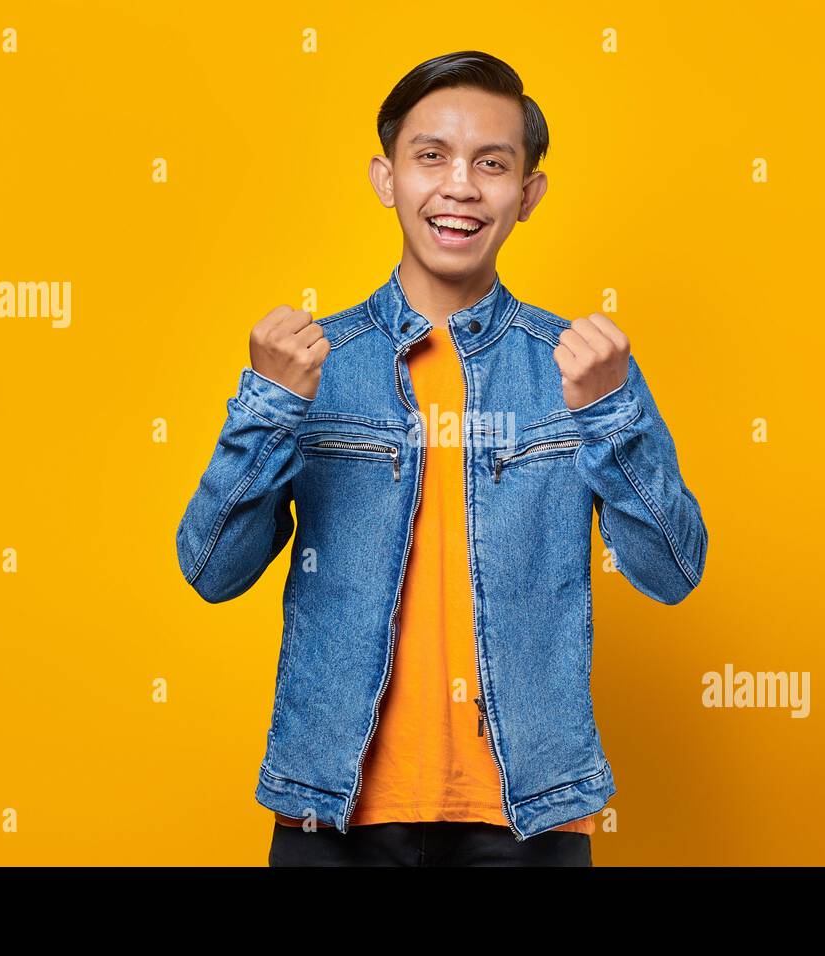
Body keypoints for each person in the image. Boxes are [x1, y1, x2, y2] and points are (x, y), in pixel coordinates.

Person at [175, 50, 709, 867]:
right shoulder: (315, 365)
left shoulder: (577, 367)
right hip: (333, 811)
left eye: (491, 164)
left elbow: (674, 570)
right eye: (432, 156)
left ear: (526, 195)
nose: (460, 185)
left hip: (527, 818)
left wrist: (611, 412)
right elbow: (211, 569)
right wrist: (269, 405)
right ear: (387, 178)